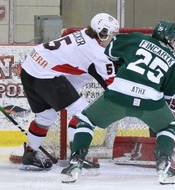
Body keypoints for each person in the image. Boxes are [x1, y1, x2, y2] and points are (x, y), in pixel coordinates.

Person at [61, 20, 175, 185]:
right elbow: (166, 97)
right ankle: (164, 166)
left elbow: (110, 52)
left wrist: (123, 63)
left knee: (86, 120)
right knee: (168, 125)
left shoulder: (136, 39)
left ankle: (76, 162)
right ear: (170, 38)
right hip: (150, 101)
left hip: (119, 93)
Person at [20, 13, 119, 170]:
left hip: (31, 66)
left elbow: (80, 71)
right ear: (102, 34)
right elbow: (113, 87)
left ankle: (30, 153)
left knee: (46, 116)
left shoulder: (84, 34)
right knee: (85, 114)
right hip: (45, 75)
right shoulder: (97, 54)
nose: (113, 38)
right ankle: (77, 156)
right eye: (112, 34)